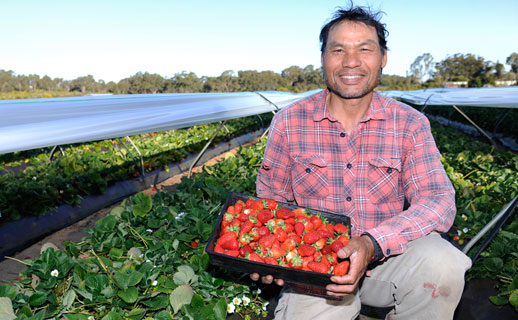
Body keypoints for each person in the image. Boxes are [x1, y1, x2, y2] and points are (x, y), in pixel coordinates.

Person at [251, 5, 472, 320]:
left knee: (443, 265)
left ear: (382, 59)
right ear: (323, 58)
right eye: (338, 49)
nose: (350, 61)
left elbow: (438, 199)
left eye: (364, 49)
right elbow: (271, 202)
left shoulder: (409, 123)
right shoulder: (289, 122)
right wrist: (269, 256)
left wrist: (373, 243)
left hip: (389, 261)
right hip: (317, 267)